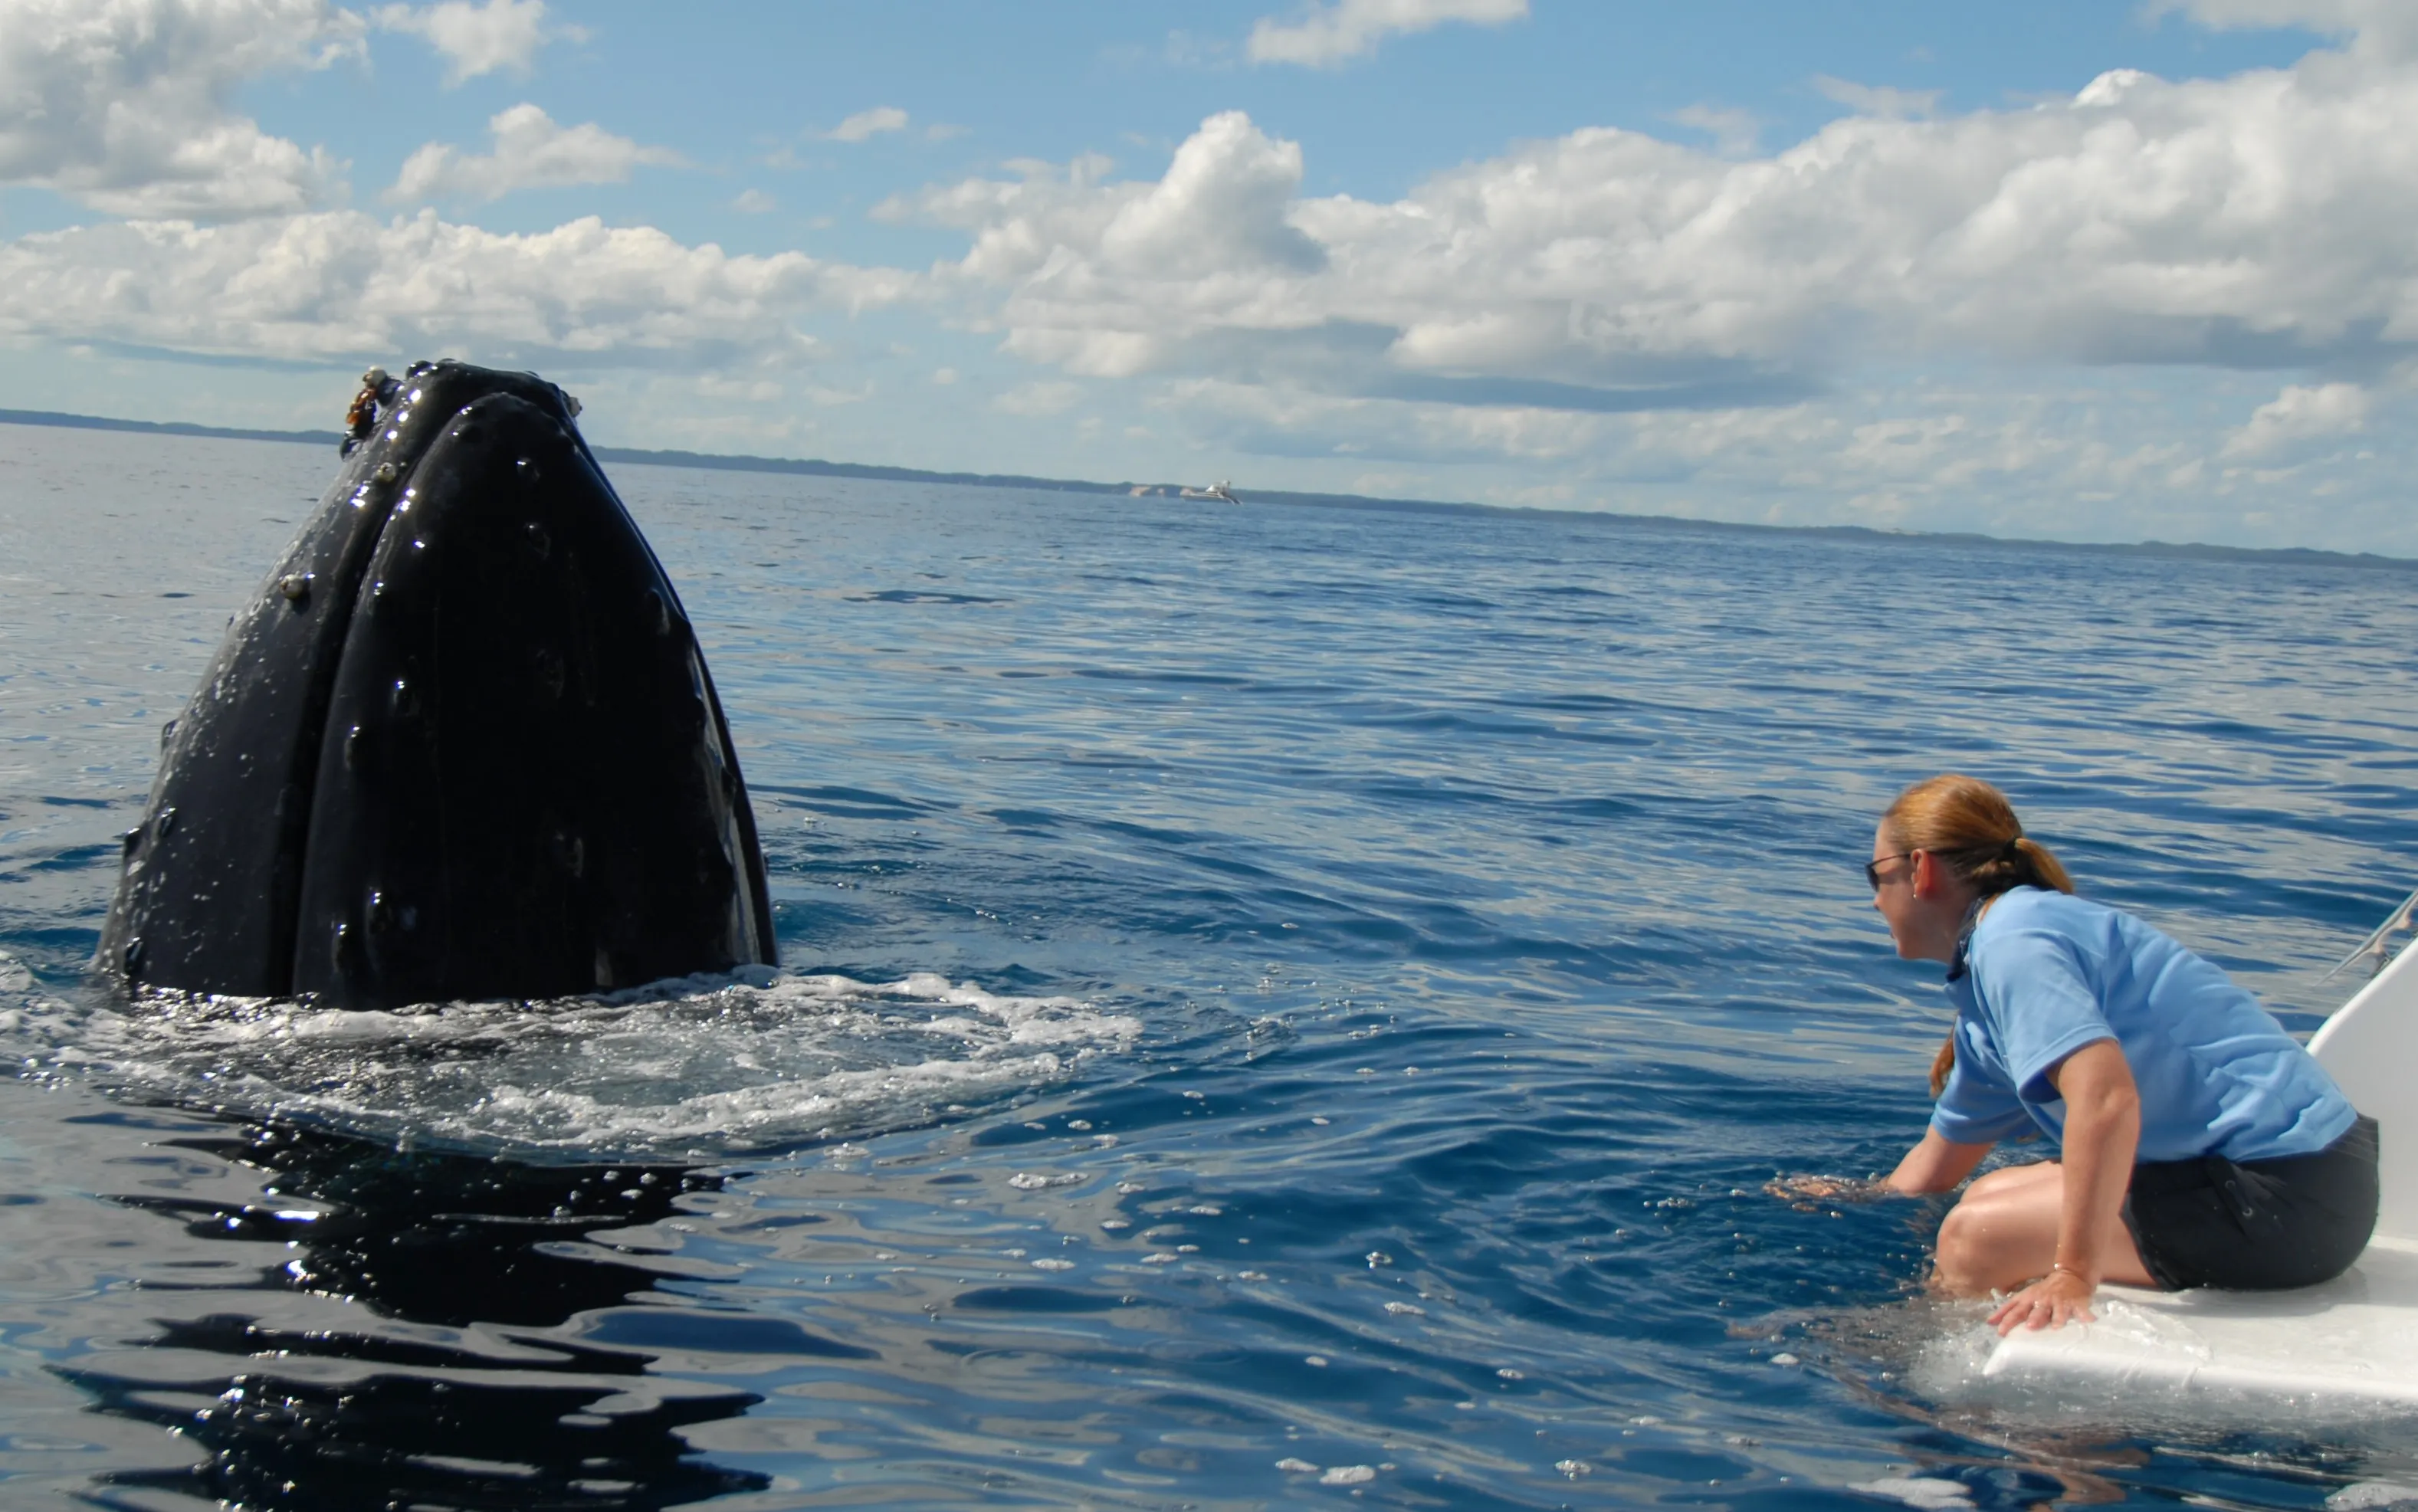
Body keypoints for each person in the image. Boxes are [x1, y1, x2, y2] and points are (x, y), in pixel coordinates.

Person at [1856, 774, 2377, 1336]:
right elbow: (1935, 1168)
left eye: (1877, 876)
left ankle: (1926, 1386)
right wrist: (1844, 1197)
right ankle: (1922, 1341)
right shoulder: (1993, 971)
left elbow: (2104, 1099)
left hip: (2291, 1203)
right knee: (1989, 1193)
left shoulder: (2013, 942)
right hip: (2307, 1177)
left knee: (1976, 1236)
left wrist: (2073, 1272)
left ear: (1920, 871)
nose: (1873, 898)